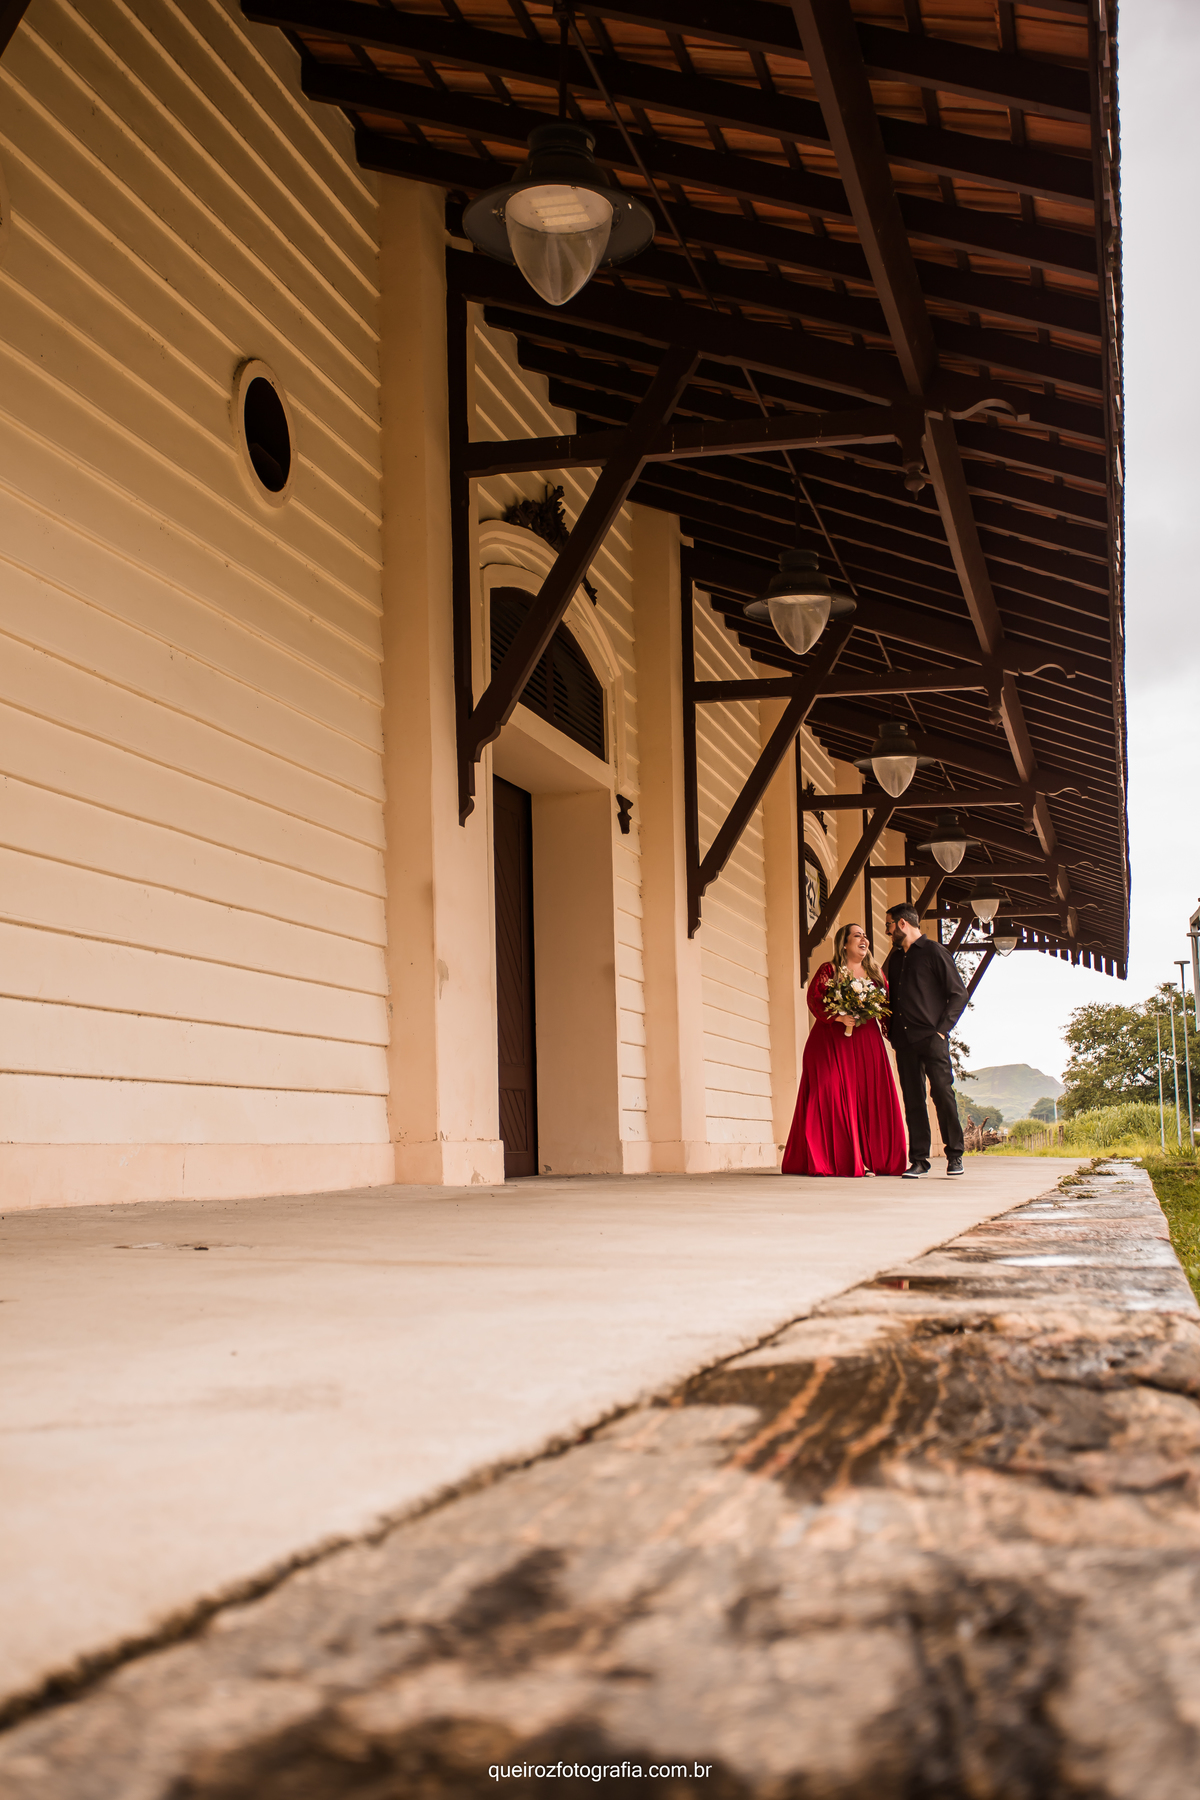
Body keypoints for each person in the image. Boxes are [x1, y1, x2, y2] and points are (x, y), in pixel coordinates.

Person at [782, 922, 908, 1178]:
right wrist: (838, 1017)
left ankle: (874, 1158)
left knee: (867, 1096)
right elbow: (815, 998)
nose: (864, 940)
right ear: (845, 943)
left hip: (866, 1043)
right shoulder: (830, 970)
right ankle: (830, 1159)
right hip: (829, 1040)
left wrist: (895, 1037)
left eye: (865, 936)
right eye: (857, 936)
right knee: (827, 1091)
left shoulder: (875, 974)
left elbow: (885, 1008)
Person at [883, 903, 969, 1178]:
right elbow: (882, 992)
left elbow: (958, 994)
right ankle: (919, 1160)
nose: (887, 931)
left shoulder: (934, 952)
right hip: (904, 1040)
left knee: (942, 1095)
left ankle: (954, 1156)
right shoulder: (894, 959)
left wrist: (942, 1031)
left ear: (902, 924)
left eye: (889, 925)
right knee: (913, 1100)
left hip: (932, 1039)